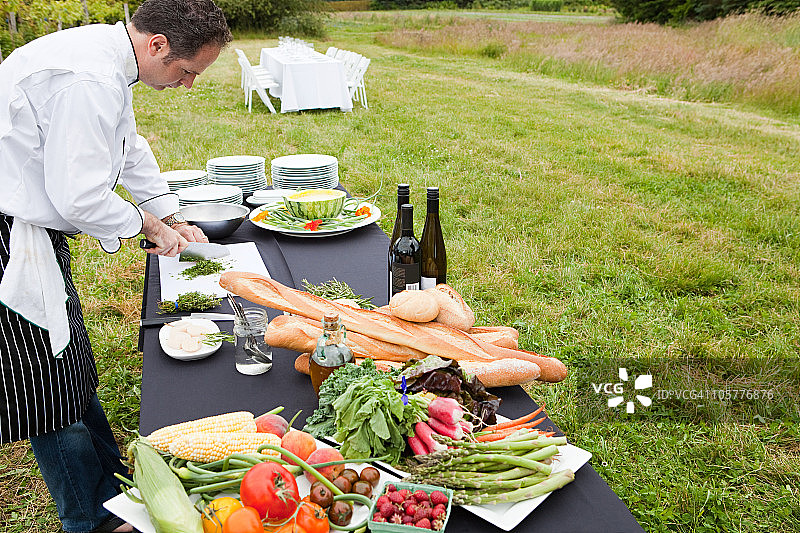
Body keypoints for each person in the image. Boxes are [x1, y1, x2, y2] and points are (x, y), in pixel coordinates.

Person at [0, 0, 232, 531]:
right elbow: (78, 196)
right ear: (158, 45)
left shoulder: (110, 61)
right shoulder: (89, 77)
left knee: (71, 362)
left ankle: (113, 486)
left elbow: (128, 148)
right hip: (7, 233)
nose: (188, 84)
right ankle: (92, 518)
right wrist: (150, 227)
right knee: (43, 382)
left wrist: (171, 212)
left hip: (27, 226)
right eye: (187, 71)